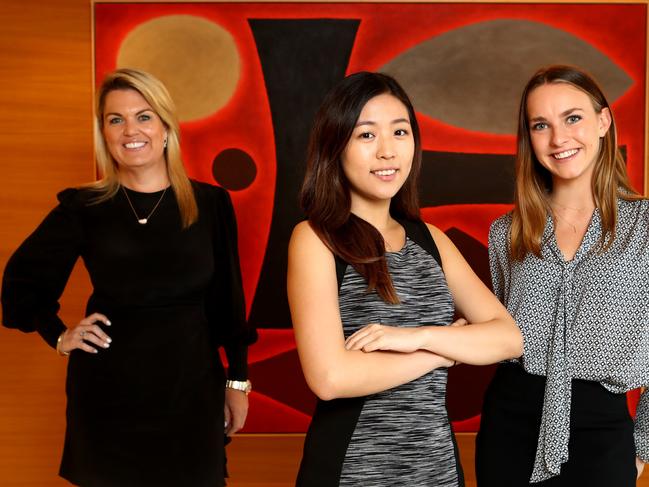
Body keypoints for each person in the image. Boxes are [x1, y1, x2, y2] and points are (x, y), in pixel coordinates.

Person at [1, 68, 256, 487]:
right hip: (108, 393)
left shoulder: (209, 203)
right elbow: (22, 283)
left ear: (166, 128)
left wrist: (238, 380)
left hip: (190, 389)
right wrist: (59, 335)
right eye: (115, 119)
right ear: (103, 132)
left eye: (144, 116)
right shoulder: (84, 207)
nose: (130, 130)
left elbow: (229, 300)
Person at [287, 71, 523, 486]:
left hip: (437, 469)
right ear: (335, 145)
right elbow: (330, 378)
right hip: (354, 470)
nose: (387, 151)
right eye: (366, 136)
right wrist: (441, 353)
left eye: (400, 132)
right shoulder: (315, 238)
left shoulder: (429, 239)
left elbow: (508, 338)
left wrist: (418, 336)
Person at [475, 65, 649, 486]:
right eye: (541, 125)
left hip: (603, 429)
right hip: (509, 422)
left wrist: (641, 444)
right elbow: (497, 334)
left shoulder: (644, 227)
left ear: (603, 121)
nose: (558, 138)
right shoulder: (506, 233)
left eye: (573, 118)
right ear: (529, 137)